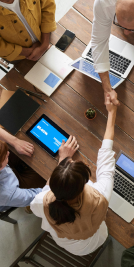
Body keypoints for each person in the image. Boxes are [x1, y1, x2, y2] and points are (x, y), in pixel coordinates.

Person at [30, 96, 117, 256]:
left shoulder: (42, 201)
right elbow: (106, 158)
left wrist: (62, 160)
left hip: (70, 245)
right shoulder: (100, 195)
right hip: (94, 240)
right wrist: (112, 113)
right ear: (84, 184)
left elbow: (42, 199)